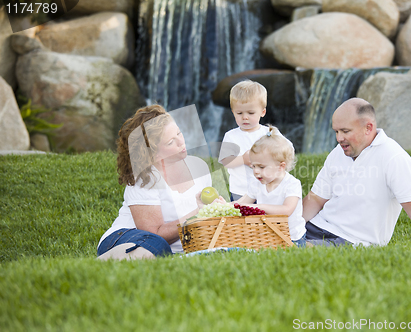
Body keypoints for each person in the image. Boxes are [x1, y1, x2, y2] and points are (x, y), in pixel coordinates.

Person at [302, 98, 411, 246]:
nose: (339, 138)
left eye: (345, 131)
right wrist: (290, 225)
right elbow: (317, 198)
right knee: (280, 240)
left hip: (352, 240)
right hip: (317, 226)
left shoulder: (394, 158)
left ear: (368, 128)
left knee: (296, 249)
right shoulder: (339, 152)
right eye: (336, 131)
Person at [97, 105, 220, 260]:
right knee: (159, 245)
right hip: (125, 239)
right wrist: (196, 214)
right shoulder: (145, 178)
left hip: (168, 249)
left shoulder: (199, 167)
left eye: (179, 133)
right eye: (170, 142)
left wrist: (216, 209)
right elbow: (153, 233)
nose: (181, 143)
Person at [234, 125, 307, 247]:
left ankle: (307, 244)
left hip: (291, 237)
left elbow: (286, 210)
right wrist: (226, 206)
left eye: (261, 167)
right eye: (253, 166)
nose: (256, 171)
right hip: (268, 234)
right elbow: (242, 203)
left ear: (281, 166)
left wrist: (258, 207)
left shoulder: (292, 184)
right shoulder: (257, 183)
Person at [219, 80, 291, 201]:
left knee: (265, 216)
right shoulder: (231, 136)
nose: (245, 117)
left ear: (263, 112)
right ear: (233, 112)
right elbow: (225, 161)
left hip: (267, 188)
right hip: (241, 190)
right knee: (241, 217)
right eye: (239, 113)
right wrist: (243, 159)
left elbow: (288, 149)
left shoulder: (269, 133)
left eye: (251, 113)